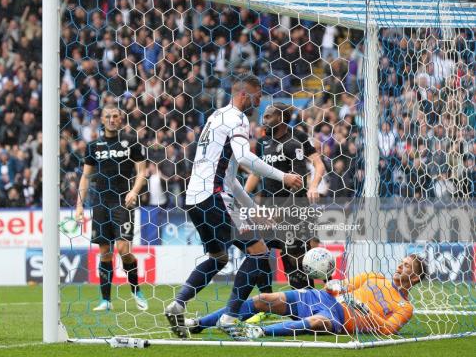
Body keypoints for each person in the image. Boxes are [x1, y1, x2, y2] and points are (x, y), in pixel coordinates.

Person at [165, 76, 303, 338]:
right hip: (216, 196)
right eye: (258, 95)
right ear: (243, 94)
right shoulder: (237, 118)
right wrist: (283, 176)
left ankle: (178, 303)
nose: (260, 101)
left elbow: (231, 178)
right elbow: (245, 158)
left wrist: (255, 211)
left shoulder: (216, 117)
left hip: (195, 198)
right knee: (260, 252)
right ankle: (229, 317)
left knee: (219, 258)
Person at [186, 255, 427, 340]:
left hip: (341, 318)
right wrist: (327, 279)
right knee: (266, 299)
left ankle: (259, 332)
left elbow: (386, 329)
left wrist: (363, 308)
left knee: (317, 323)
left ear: (415, 278)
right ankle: (199, 323)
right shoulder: (374, 276)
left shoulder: (405, 307)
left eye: (407, 267)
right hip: (322, 299)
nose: (399, 267)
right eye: (401, 263)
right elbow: (339, 288)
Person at [245, 103, 326, 292]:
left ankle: (326, 288)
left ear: (280, 118)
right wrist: (243, 197)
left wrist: (313, 186)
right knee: (265, 249)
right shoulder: (263, 142)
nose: (262, 121)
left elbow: (318, 164)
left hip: (294, 204)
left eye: (267, 117)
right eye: (263, 117)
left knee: (308, 249)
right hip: (269, 205)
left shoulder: (297, 138)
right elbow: (256, 173)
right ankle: (270, 298)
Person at [76, 105, 149, 312]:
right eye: (107, 116)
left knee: (124, 250)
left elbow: (142, 171)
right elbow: (85, 176)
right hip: (100, 202)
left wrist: (134, 191)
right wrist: (79, 204)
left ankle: (136, 290)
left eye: (115, 116)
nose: (111, 119)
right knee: (105, 252)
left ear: (121, 119)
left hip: (122, 201)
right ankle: (106, 301)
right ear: (102, 120)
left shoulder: (132, 142)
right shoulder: (93, 146)